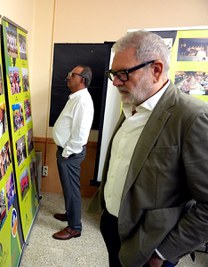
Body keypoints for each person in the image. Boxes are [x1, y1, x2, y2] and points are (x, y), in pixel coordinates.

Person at [88, 30, 208, 267]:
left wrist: (163, 253)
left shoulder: (192, 117)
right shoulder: (133, 103)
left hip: (152, 245)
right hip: (114, 227)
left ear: (156, 70)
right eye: (113, 74)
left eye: (122, 73)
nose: (115, 82)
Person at [51, 65, 94, 240]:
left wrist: (67, 153)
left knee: (72, 190)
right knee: (68, 188)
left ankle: (74, 227)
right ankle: (70, 215)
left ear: (82, 79)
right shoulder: (76, 98)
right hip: (66, 152)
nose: (68, 77)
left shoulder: (82, 101)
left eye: (72, 75)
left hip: (70, 154)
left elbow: (80, 133)